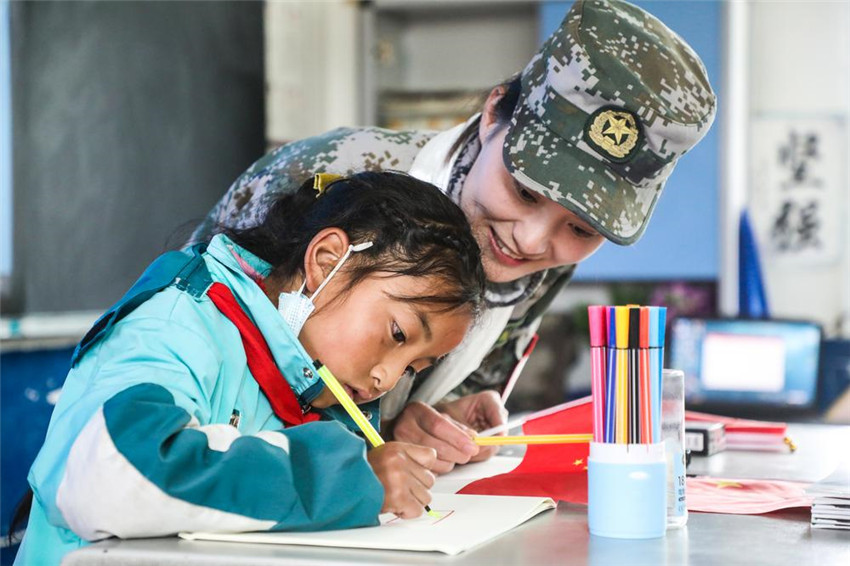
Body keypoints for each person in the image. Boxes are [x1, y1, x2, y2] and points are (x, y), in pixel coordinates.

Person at [190, 0, 717, 474]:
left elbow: (415, 398)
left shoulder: (548, 260)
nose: (532, 241)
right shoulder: (334, 176)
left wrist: (438, 414)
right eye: (525, 191)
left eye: (581, 226)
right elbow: (183, 334)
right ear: (493, 115)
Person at [12, 171, 486, 565]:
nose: (386, 378)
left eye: (413, 368)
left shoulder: (311, 372)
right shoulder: (179, 323)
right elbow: (114, 475)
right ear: (327, 262)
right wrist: (345, 477)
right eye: (398, 334)